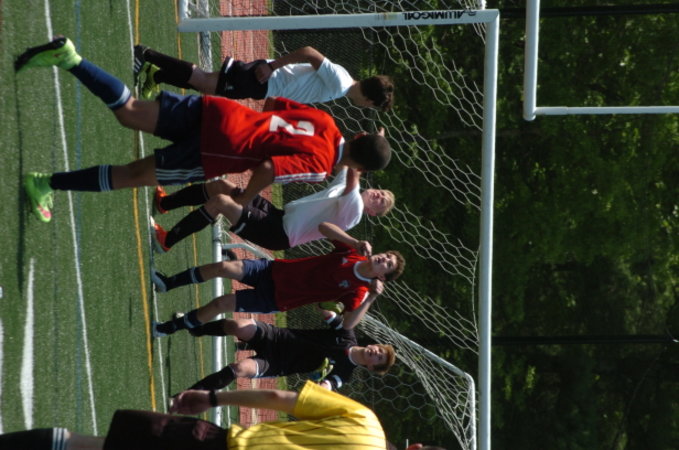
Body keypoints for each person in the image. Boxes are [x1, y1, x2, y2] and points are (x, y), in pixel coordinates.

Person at [15, 37, 391, 223]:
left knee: (129, 111)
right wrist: (244, 200)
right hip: (217, 150)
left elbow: (276, 105)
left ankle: (71, 59)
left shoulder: (326, 122)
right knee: (132, 175)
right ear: (360, 168)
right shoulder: (322, 166)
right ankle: (46, 184)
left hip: (222, 114)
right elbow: (268, 169)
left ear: (359, 137)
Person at [152, 221, 405, 334]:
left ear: (383, 276)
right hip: (273, 270)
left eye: (387, 264)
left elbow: (348, 324)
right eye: (386, 255)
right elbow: (323, 226)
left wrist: (371, 297)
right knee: (223, 267)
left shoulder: (359, 291)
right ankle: (167, 283)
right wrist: (353, 240)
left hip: (277, 297)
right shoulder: (353, 251)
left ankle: (169, 328)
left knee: (221, 303)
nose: (383, 259)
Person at [0, 381, 393, 449]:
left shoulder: (365, 422)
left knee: (85, 446)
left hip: (214, 444)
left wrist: (213, 397)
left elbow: (278, 396)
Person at [151, 165, 395, 252]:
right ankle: (165, 203)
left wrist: (367, 154)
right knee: (221, 186)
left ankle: (167, 241)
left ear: (372, 212)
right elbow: (348, 166)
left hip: (278, 233)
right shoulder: (349, 188)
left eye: (380, 202)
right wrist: (368, 144)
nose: (378, 196)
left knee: (220, 203)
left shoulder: (355, 210)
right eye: (381, 192)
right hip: (277, 215)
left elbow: (353, 174)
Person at [173, 311, 395, 394]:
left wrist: (321, 387)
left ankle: (186, 396)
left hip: (278, 363)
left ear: (371, 367)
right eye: (379, 350)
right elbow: (328, 313)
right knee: (237, 325)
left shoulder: (344, 373)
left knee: (238, 369)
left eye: (378, 358)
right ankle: (197, 329)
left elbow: (329, 385)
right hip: (278, 336)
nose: (375, 352)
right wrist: (328, 307)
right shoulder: (347, 333)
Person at [134, 44, 394, 110]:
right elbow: (309, 53)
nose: (366, 108)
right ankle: (147, 55)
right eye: (371, 107)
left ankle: (157, 76)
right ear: (369, 101)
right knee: (203, 80)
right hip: (264, 77)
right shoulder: (340, 81)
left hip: (265, 85)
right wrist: (272, 67)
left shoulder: (343, 84)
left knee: (208, 86)